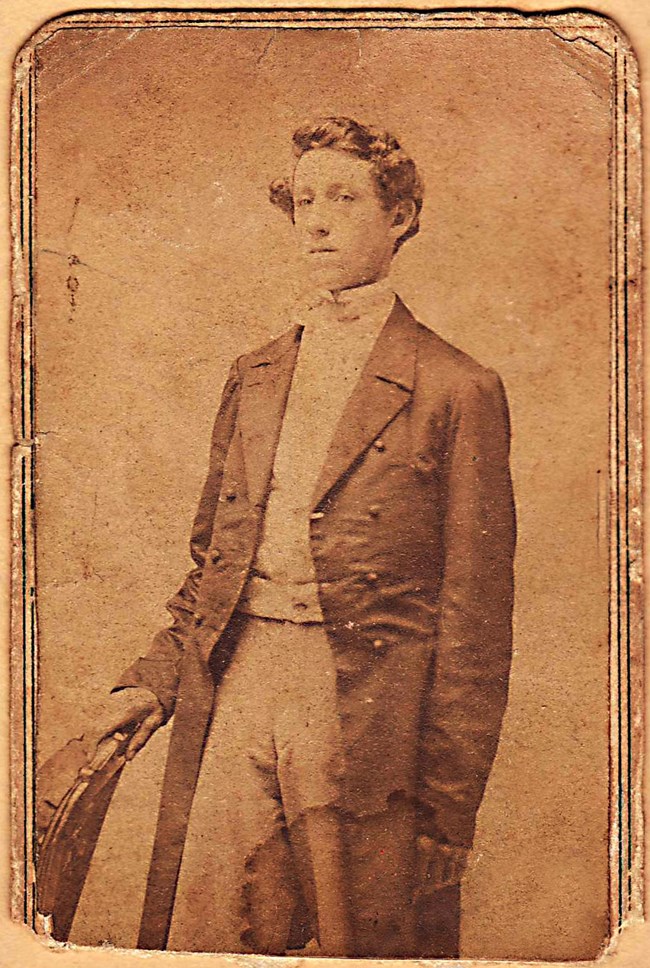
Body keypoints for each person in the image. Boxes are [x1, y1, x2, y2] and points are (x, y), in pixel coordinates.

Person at [94, 116, 516, 958]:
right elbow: (211, 571)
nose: (315, 221)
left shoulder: (457, 387)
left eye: (345, 199)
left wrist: (447, 807)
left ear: (399, 216)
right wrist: (149, 684)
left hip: (365, 704)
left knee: (350, 938)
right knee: (213, 925)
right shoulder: (255, 372)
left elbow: (476, 623)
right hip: (238, 682)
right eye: (305, 199)